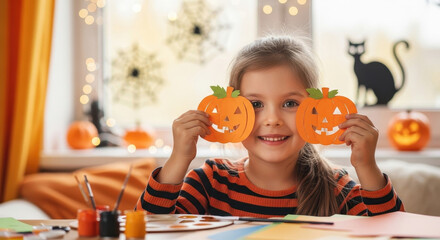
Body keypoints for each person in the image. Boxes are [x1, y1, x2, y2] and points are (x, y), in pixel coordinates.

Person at [136, 35, 404, 217]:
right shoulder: (209, 183)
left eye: (289, 103)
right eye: (255, 104)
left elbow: (396, 233)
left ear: (315, 109)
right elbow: (147, 229)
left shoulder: (338, 190)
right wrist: (178, 159)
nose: (272, 119)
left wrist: (367, 167)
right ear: (231, 110)